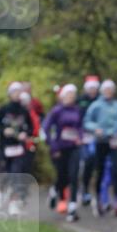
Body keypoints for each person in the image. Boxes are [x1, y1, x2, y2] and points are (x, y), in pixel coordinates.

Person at [42, 84, 85, 221]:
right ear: (62, 96)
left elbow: (80, 127)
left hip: (74, 147)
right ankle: (54, 191)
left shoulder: (77, 110)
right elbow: (47, 129)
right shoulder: (56, 111)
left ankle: (72, 208)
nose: (70, 98)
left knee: (73, 176)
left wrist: (80, 137)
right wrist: (53, 147)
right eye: (68, 95)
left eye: (73, 95)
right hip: (59, 149)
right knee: (62, 177)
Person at [82, 79, 117, 216]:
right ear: (102, 91)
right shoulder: (96, 105)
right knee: (100, 171)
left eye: (110, 90)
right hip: (101, 141)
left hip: (114, 141)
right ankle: (99, 199)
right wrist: (96, 129)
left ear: (114, 91)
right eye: (106, 90)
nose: (108, 92)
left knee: (116, 170)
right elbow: (87, 122)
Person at [0, 82, 33, 214]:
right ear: (9, 94)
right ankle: (0, 191)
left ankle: (13, 204)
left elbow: (31, 128)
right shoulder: (3, 109)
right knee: (6, 175)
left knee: (17, 175)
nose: (17, 94)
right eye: (14, 92)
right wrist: (4, 130)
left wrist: (25, 134)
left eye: (19, 92)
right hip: (5, 148)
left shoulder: (24, 111)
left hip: (19, 149)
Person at [77, 75, 100, 207]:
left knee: (93, 164)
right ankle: (81, 189)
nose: (92, 90)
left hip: (98, 137)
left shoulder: (100, 101)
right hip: (81, 137)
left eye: (94, 88)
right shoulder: (79, 101)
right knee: (83, 163)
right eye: (90, 88)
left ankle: (90, 190)